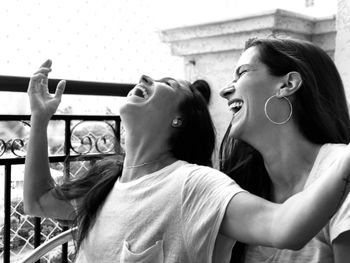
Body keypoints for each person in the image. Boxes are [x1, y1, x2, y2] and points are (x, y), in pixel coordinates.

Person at [24, 59, 350, 263]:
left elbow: (283, 227)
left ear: (180, 119)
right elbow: (39, 202)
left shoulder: (194, 186)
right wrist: (39, 119)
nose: (144, 77)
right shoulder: (106, 183)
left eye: (167, 84)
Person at [219, 37, 350, 263]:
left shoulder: (343, 171)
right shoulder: (240, 184)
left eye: (242, 73)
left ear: (287, 84)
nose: (224, 91)